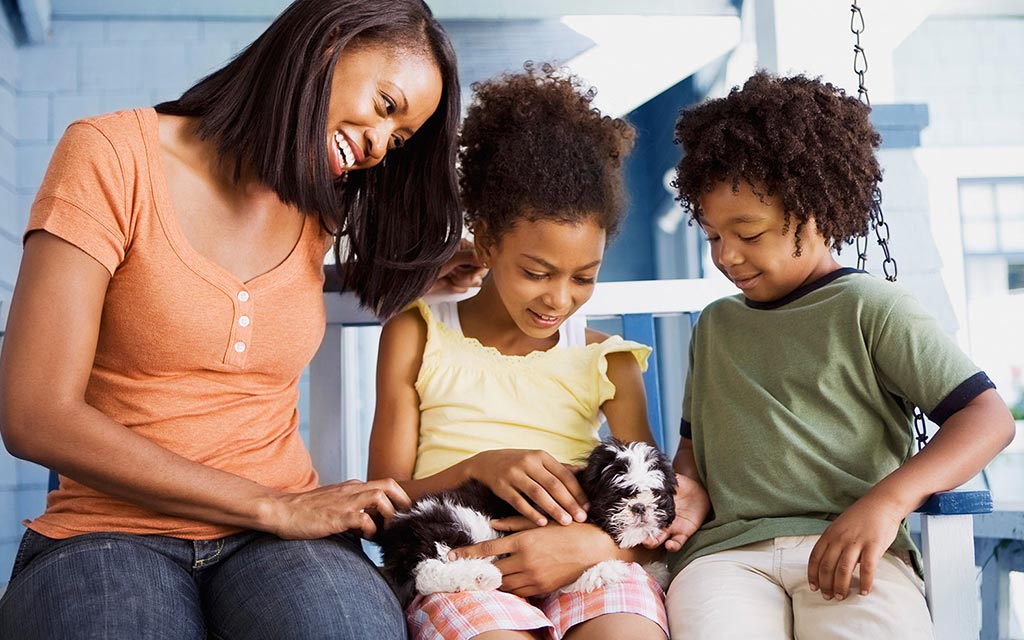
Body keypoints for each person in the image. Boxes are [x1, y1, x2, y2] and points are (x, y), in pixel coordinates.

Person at [0, 1, 484, 638]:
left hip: (284, 542)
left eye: (396, 142)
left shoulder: (319, 200)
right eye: (386, 105)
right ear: (331, 40)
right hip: (106, 531)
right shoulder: (110, 155)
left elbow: (254, 296)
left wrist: (419, 275)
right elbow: (35, 416)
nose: (376, 146)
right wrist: (273, 506)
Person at [663, 71, 1017, 639]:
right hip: (727, 557)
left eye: (748, 234)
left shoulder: (872, 307)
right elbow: (693, 449)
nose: (726, 256)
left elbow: (988, 419)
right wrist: (691, 486)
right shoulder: (715, 326)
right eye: (711, 236)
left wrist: (889, 501)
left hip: (853, 546)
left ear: (818, 213)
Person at [367, 64, 673, 640]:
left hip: (590, 563)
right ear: (485, 241)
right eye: (536, 272)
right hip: (462, 566)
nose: (560, 299)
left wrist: (589, 547)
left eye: (584, 276)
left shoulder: (607, 359)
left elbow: (650, 513)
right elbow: (385, 500)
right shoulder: (419, 333)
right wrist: (479, 467)